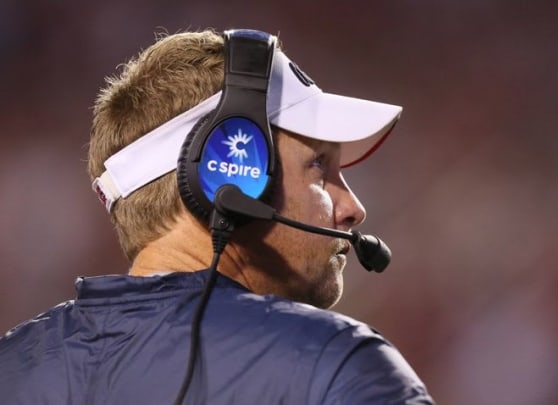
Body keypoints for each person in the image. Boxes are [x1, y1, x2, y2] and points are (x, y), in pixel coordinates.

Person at [0, 29, 434, 404]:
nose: (353, 209)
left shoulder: (11, 369)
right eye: (319, 165)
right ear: (227, 181)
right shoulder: (335, 364)